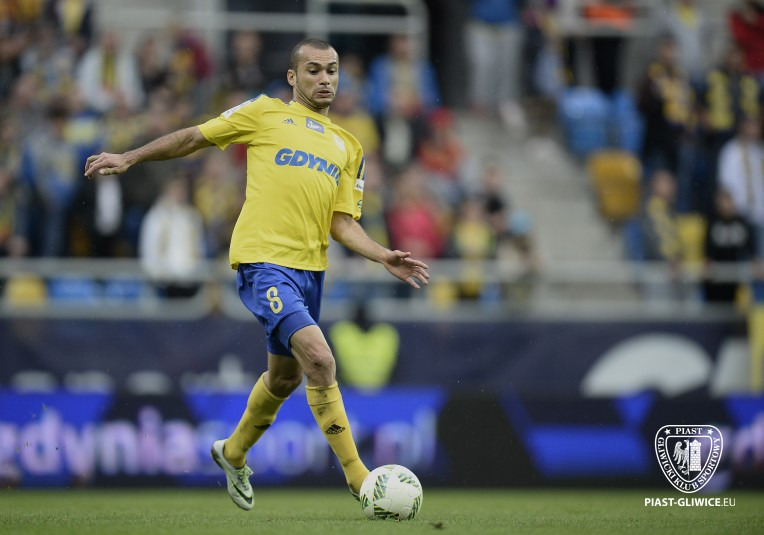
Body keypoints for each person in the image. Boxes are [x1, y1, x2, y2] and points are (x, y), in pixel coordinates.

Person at [84, 38, 429, 511]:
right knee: (321, 360)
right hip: (264, 262)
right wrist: (130, 157)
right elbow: (195, 137)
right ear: (292, 76)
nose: (325, 79)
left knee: (285, 379)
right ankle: (360, 479)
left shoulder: (349, 146)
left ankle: (232, 453)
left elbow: (342, 223)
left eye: (331, 70)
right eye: (313, 70)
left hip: (311, 272)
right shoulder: (264, 113)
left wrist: (382, 254)